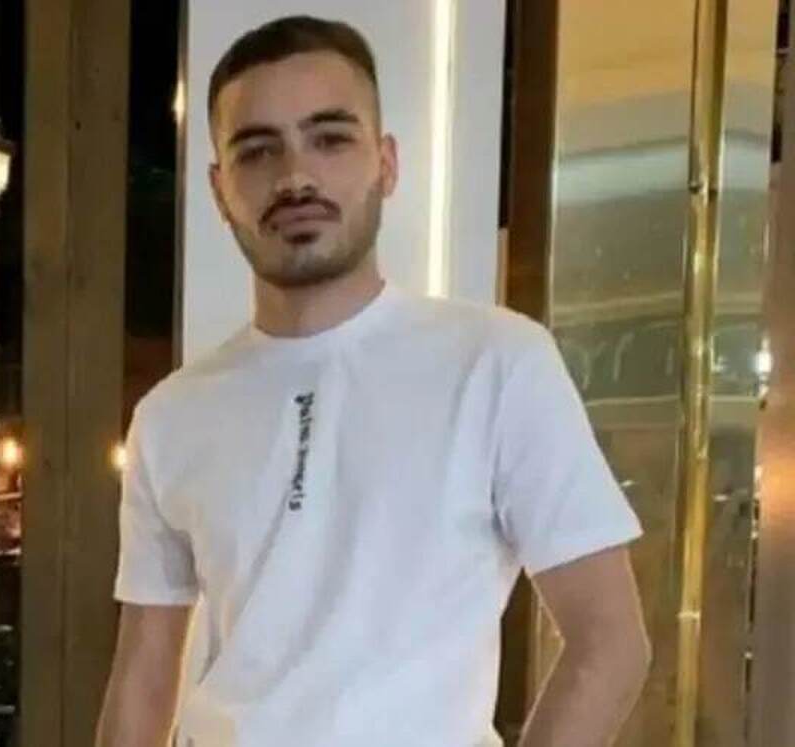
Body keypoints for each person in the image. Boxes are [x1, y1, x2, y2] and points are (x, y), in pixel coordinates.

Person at [96, 15, 650, 747]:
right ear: (219, 189)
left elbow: (609, 640)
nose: (295, 177)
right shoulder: (171, 416)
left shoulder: (496, 363)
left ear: (386, 163)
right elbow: (144, 669)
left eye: (330, 138)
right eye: (258, 150)